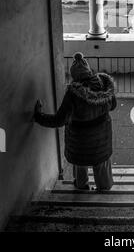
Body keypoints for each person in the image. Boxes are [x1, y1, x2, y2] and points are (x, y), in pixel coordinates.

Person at [34, 52, 116, 192]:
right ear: (89, 70)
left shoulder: (73, 94)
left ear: (74, 76)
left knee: (80, 165)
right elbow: (113, 105)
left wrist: (39, 116)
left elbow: (59, 120)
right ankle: (104, 190)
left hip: (80, 141)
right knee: (102, 164)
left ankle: (81, 188)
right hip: (101, 138)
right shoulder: (104, 86)